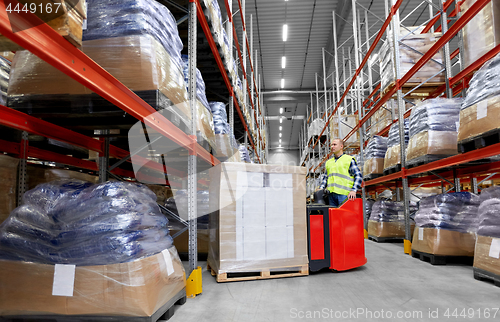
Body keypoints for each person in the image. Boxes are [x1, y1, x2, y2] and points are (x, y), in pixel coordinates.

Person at [318, 138, 363, 207]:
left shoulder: (348, 159)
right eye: (331, 145)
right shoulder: (328, 162)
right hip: (331, 195)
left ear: (341, 146)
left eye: (334, 145)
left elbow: (358, 176)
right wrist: (320, 189)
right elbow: (325, 178)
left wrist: (354, 190)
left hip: (344, 195)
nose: (332, 147)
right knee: (333, 216)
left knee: (344, 216)